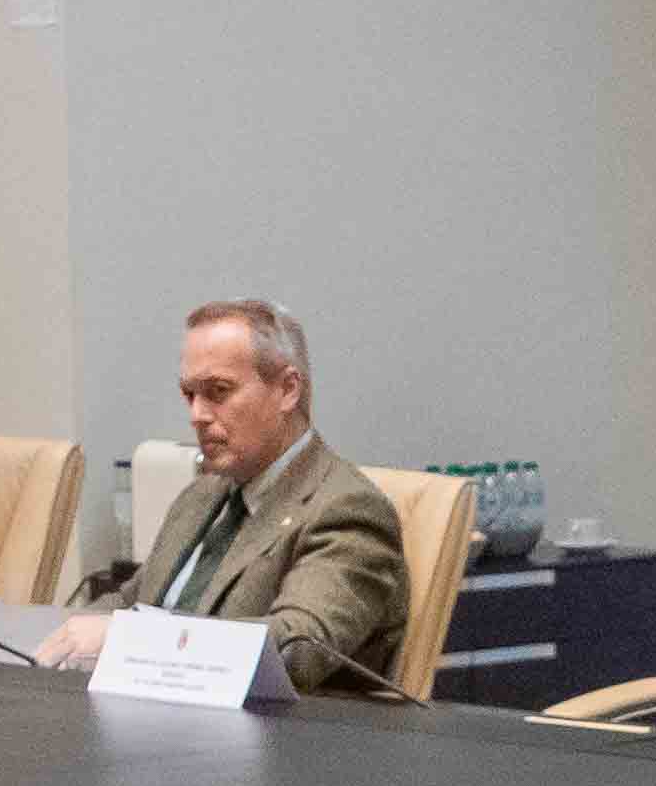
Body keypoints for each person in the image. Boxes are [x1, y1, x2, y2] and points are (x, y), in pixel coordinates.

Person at [42, 297, 411, 697]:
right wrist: (44, 636)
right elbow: (137, 599)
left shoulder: (346, 509)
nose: (197, 415)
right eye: (189, 394)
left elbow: (296, 650)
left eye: (218, 392)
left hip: (272, 748)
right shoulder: (202, 495)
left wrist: (131, 640)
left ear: (287, 390)